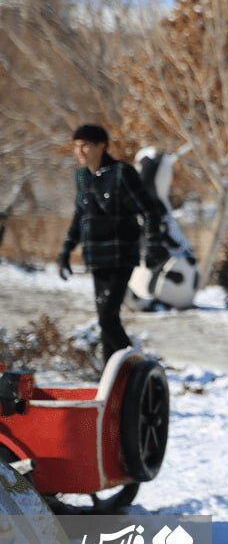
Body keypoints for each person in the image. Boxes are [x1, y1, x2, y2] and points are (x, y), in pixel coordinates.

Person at [57, 124, 168, 365]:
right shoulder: (82, 176)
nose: (80, 151)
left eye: (85, 145)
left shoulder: (121, 173)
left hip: (121, 256)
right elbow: (80, 216)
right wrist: (66, 250)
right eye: (76, 146)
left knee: (107, 318)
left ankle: (139, 367)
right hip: (96, 258)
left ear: (102, 146)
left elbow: (150, 210)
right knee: (106, 318)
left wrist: (153, 244)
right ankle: (112, 379)